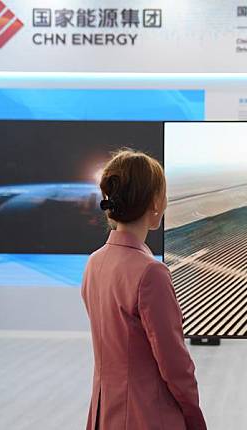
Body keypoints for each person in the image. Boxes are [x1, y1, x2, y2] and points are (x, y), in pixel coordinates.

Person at [81, 149, 206, 430]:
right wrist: (194, 418)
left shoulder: (95, 262)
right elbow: (175, 366)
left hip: (104, 414)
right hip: (147, 416)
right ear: (154, 203)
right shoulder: (151, 273)